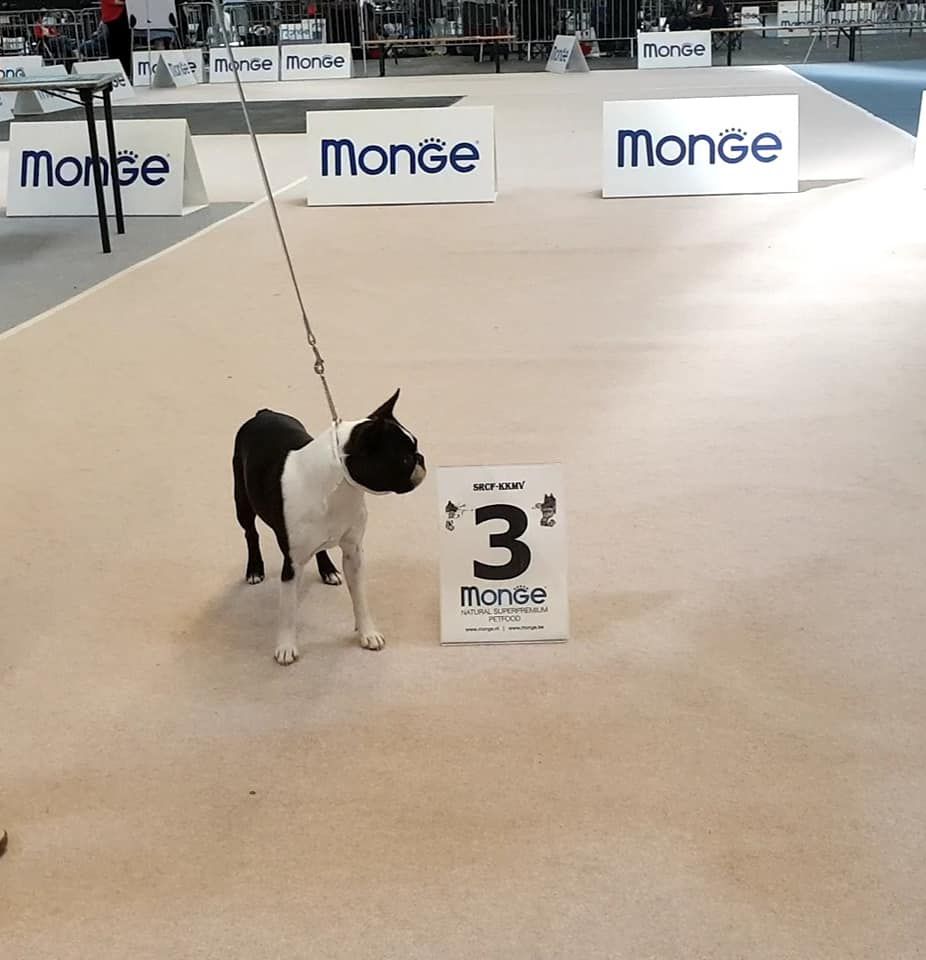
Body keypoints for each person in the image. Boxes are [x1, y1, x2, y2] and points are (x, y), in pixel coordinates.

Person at [101, 0, 133, 81]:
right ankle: (117, 74)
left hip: (126, 15)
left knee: (126, 46)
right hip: (113, 17)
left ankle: (127, 73)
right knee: (116, 47)